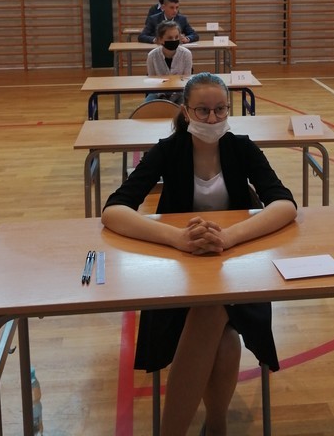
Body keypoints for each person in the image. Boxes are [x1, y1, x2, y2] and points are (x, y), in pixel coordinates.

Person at [102, 72, 297, 436]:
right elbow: (114, 210)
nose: (212, 118)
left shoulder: (241, 148)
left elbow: (284, 204)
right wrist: (177, 238)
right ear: (186, 112)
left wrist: (229, 237)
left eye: (220, 109)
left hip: (237, 271)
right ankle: (216, 427)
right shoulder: (168, 149)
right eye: (203, 110)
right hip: (180, 275)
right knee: (221, 332)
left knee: (213, 311)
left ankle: (185, 430)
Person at [146, 20, 193, 103]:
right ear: (160, 39)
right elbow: (152, 81)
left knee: (185, 105)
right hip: (158, 92)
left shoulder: (186, 54)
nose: (174, 40)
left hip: (180, 92)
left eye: (176, 37)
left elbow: (186, 80)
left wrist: (173, 97)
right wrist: (162, 96)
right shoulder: (152, 56)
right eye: (170, 38)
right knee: (147, 105)